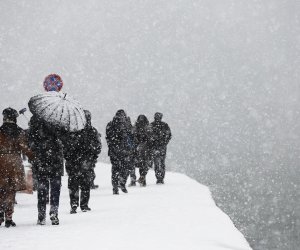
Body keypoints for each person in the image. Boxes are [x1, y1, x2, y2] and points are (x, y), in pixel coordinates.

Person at [28, 115, 64, 225]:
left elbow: (30, 142)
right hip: (55, 161)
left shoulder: (35, 120)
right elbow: (64, 141)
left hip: (41, 161)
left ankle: (41, 215)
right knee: (55, 189)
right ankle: (54, 212)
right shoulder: (58, 120)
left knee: (42, 188)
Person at [0, 108, 33, 227]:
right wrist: (33, 157)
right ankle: (9, 217)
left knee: (1, 188)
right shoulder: (19, 132)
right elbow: (24, 147)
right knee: (11, 190)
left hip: (1, 161)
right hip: (14, 162)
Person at [63, 110, 101, 214]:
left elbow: (65, 146)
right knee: (85, 183)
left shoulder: (71, 130)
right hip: (85, 162)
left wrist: (68, 156)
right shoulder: (92, 131)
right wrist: (92, 156)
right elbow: (98, 146)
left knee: (73, 183)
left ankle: (74, 203)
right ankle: (84, 204)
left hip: (73, 161)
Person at [106, 110, 133, 194]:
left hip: (120, 150)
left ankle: (118, 185)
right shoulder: (112, 125)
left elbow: (132, 135)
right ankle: (118, 185)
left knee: (119, 169)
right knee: (121, 168)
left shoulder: (112, 124)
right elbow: (109, 137)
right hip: (119, 150)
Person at [150, 112, 172, 184]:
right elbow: (169, 135)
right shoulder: (163, 125)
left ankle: (159, 178)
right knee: (159, 162)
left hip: (159, 146)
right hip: (158, 146)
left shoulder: (154, 125)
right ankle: (160, 178)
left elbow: (169, 135)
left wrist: (164, 142)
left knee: (158, 162)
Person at [133, 115, 153, 187]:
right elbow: (151, 138)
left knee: (141, 164)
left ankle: (142, 178)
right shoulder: (148, 127)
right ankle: (143, 177)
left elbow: (133, 137)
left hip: (139, 148)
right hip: (146, 148)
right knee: (145, 164)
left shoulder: (136, 127)